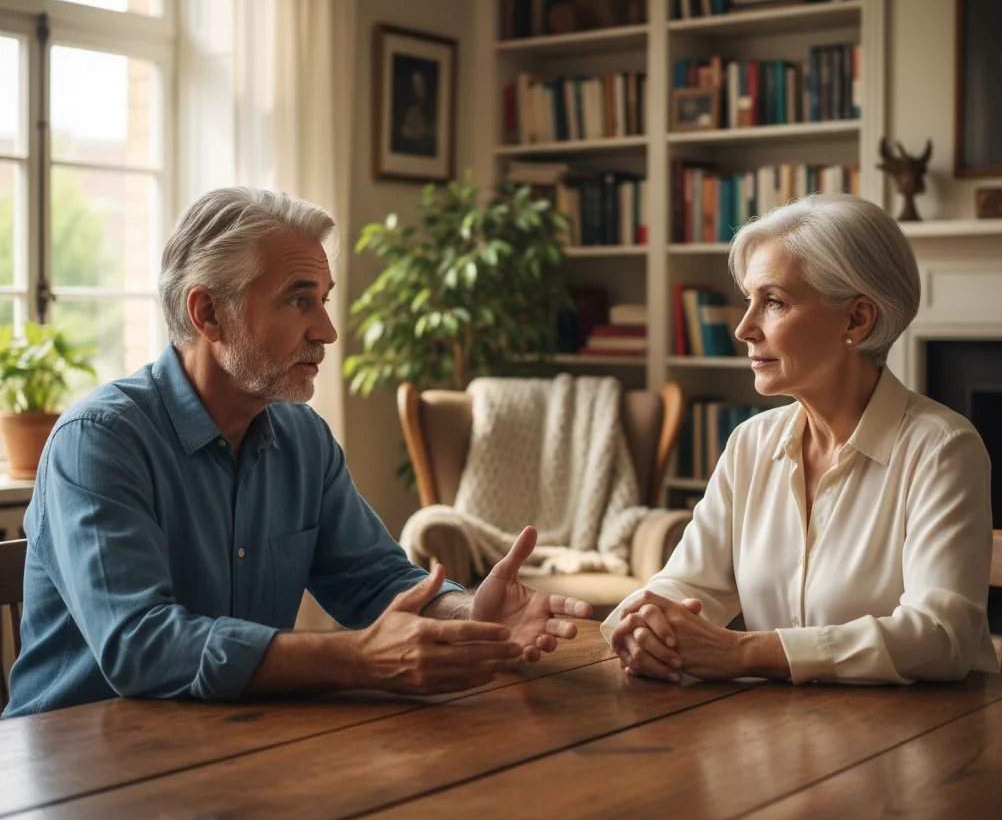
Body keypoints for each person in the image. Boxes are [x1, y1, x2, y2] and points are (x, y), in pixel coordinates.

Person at [3, 188, 591, 718]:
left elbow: (372, 580)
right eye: (298, 300)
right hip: (65, 780)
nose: (328, 331)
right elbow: (141, 646)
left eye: (325, 300)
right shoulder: (98, 441)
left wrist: (468, 613)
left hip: (227, 750)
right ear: (207, 313)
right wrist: (359, 659)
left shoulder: (302, 437)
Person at [606, 193, 999, 686]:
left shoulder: (942, 449)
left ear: (857, 319)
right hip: (778, 734)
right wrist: (645, 625)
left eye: (773, 302)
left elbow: (942, 637)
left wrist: (745, 652)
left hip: (923, 741)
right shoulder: (749, 444)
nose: (744, 328)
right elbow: (686, 584)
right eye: (749, 300)